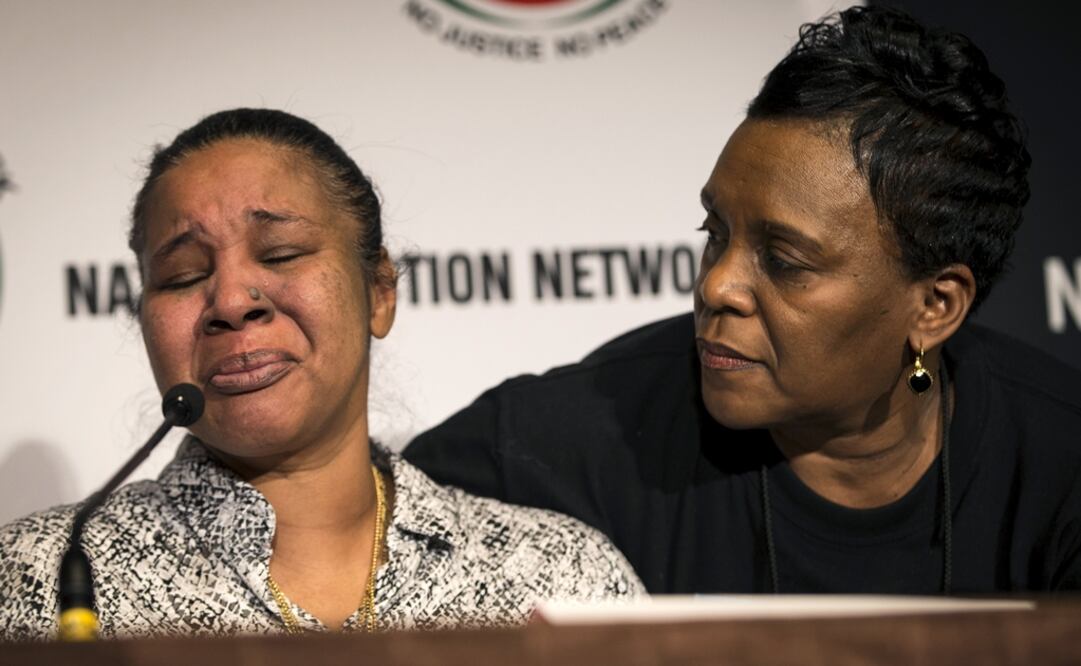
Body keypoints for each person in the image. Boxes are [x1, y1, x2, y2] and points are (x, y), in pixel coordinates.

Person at [406, 6, 1081, 595]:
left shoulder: (1059, 463)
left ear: (933, 307)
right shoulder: (572, 439)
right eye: (714, 234)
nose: (715, 286)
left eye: (783, 263)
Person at [0, 109, 643, 641]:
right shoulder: (42, 580)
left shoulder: (559, 577)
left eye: (280, 253)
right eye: (184, 276)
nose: (229, 301)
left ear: (380, 291)